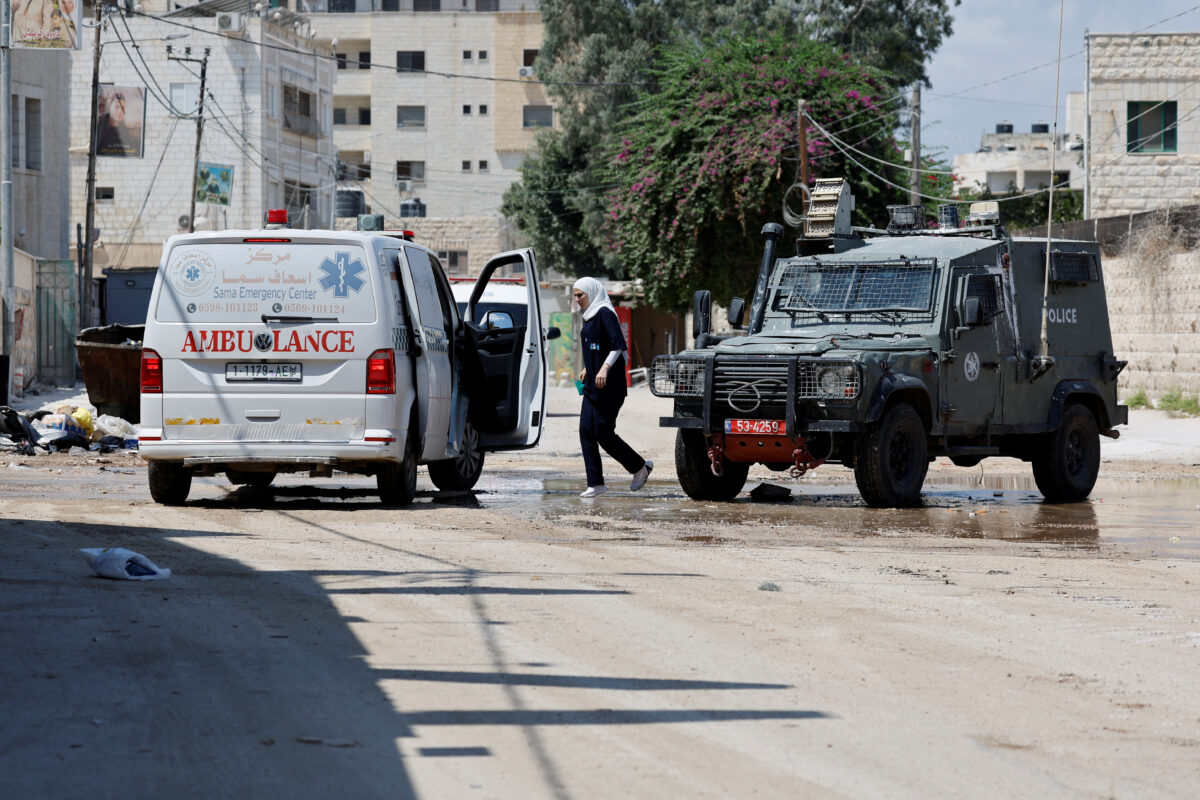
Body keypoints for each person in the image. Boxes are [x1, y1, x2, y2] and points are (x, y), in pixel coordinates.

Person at [573, 277, 652, 498]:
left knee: (602, 431)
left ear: (591, 292)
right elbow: (596, 347)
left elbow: (618, 344)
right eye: (575, 296)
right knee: (586, 431)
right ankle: (596, 483)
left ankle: (639, 468)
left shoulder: (605, 312)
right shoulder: (588, 316)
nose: (577, 299)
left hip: (610, 385)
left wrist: (605, 368)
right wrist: (588, 369)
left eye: (581, 295)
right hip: (593, 383)